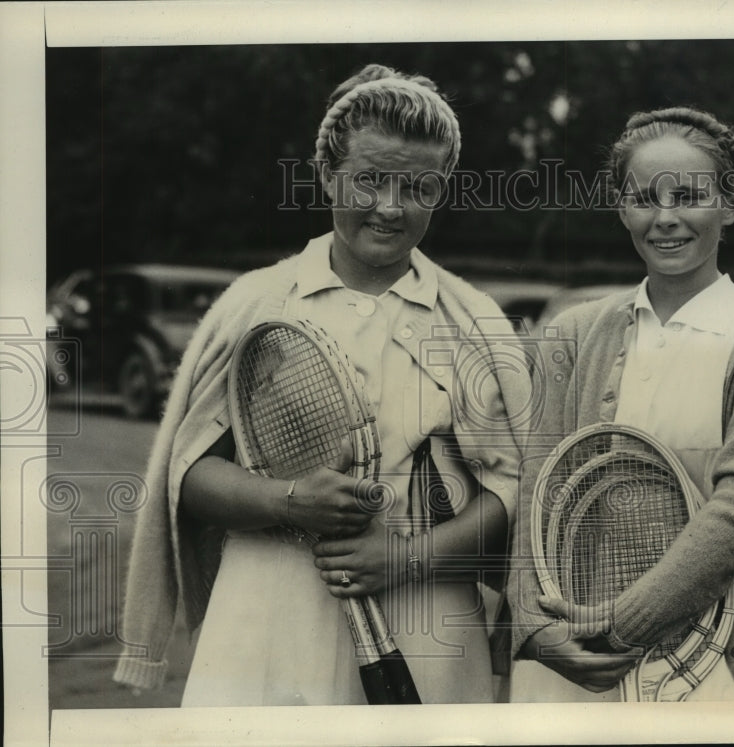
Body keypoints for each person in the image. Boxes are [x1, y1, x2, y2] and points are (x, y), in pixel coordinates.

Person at [112, 64, 529, 705]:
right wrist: (286, 501)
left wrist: (403, 559)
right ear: (327, 174)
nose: (391, 206)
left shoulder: (474, 320)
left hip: (429, 627)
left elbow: (512, 492)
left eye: (419, 187)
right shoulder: (254, 304)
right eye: (368, 180)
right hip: (268, 615)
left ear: (442, 189)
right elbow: (188, 476)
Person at [507, 106, 734, 701]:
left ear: (731, 202)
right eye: (644, 197)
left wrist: (624, 624)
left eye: (689, 196)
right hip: (567, 661)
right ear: (621, 206)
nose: (666, 218)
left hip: (708, 666)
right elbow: (536, 488)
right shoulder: (572, 332)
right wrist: (535, 627)